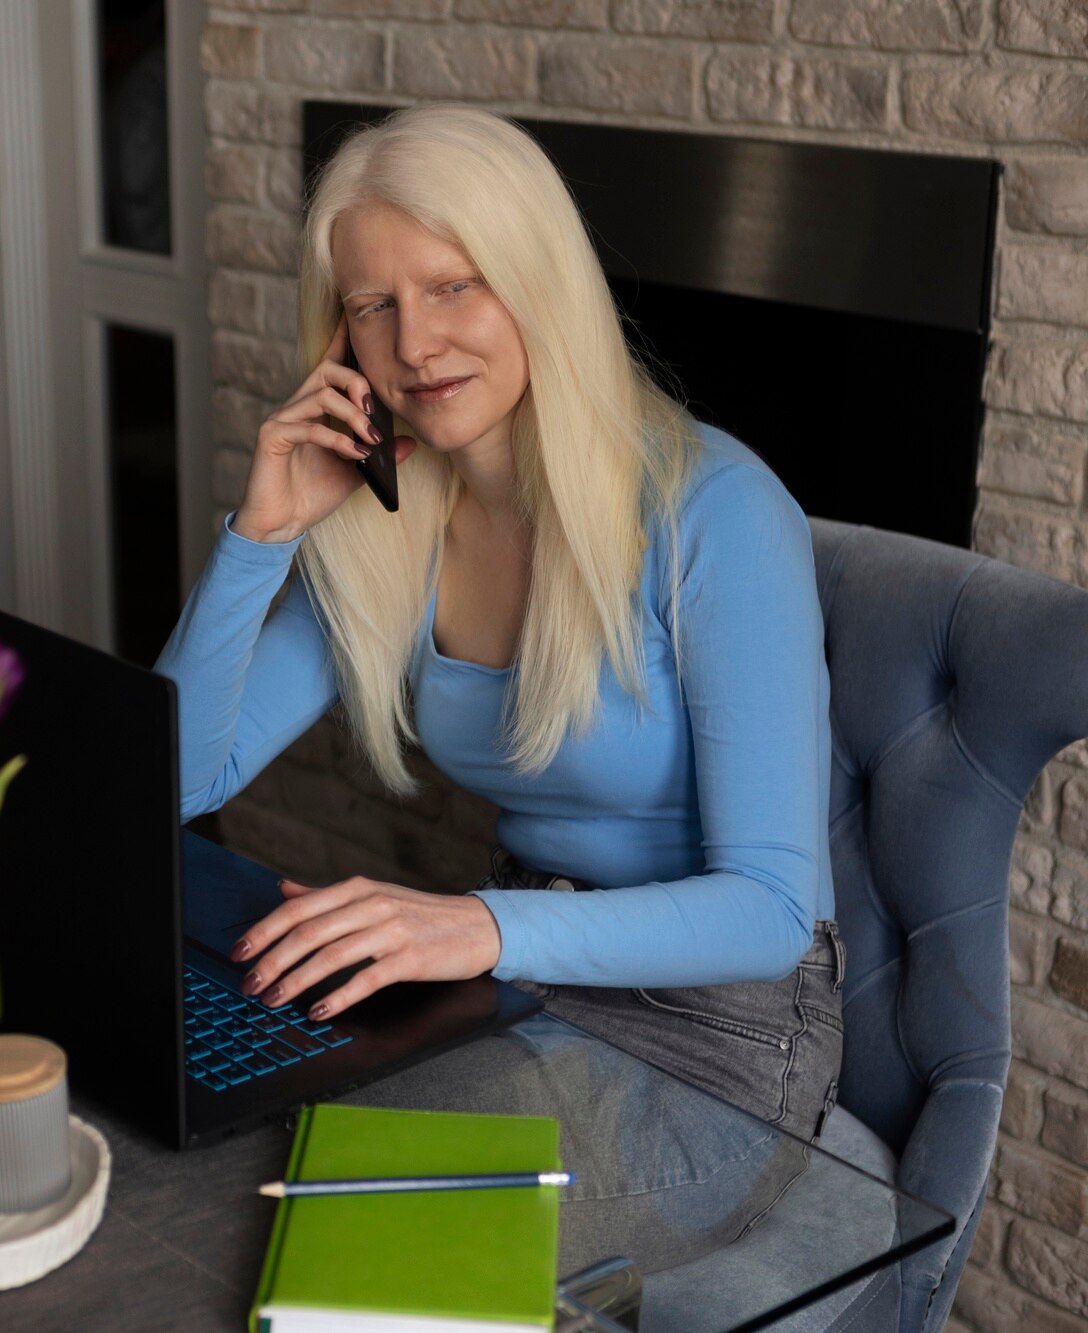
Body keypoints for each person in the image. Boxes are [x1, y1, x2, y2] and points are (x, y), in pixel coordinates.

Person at [154, 103, 848, 1278]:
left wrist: (468, 924)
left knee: (360, 1243)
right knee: (230, 1147)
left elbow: (771, 911)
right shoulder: (387, 526)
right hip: (516, 975)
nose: (414, 344)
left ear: (537, 283)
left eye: (453, 286)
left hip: (719, 1029)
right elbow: (176, 778)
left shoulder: (717, 512)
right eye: (372, 305)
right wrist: (258, 536)